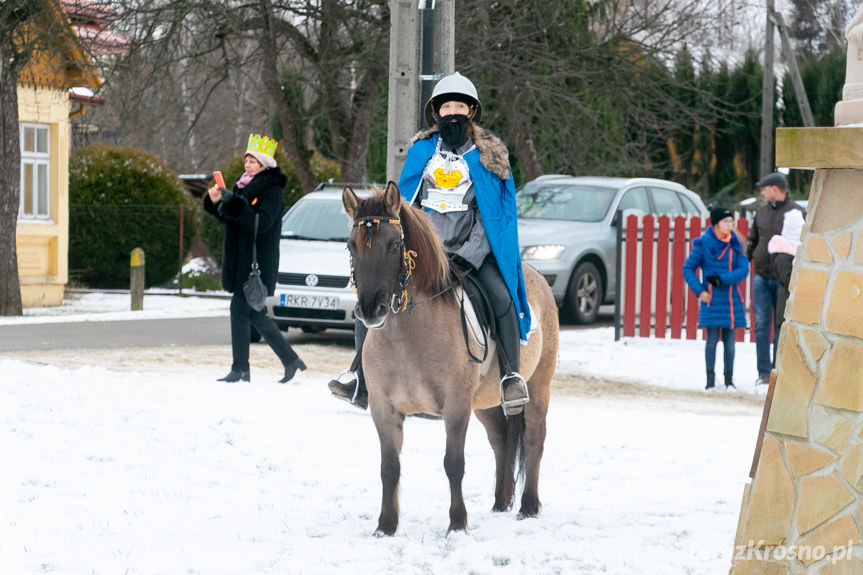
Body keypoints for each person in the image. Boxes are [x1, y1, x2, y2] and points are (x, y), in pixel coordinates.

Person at [329, 72, 532, 415]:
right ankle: (358, 376)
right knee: (373, 296)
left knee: (501, 296)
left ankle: (510, 376)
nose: (453, 112)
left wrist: (468, 256)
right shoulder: (422, 152)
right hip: (424, 255)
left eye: (460, 106)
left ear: (471, 112)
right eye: (446, 106)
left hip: (472, 255)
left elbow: (494, 218)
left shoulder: (489, 158)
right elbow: (406, 208)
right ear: (436, 113)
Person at [203, 134, 306, 383]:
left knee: (240, 310)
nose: (247, 165)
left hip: (256, 264)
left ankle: (240, 369)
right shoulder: (242, 187)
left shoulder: (272, 191)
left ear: (263, 165)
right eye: (246, 160)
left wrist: (236, 204)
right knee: (255, 314)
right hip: (240, 261)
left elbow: (262, 223)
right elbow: (231, 219)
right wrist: (216, 202)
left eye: (252, 161)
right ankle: (291, 361)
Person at [746, 172, 805, 386]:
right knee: (761, 325)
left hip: (783, 278)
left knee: (781, 325)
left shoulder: (797, 213)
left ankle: (776, 370)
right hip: (761, 274)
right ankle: (762, 372)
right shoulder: (761, 213)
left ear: (774, 189)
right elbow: (753, 238)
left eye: (764, 188)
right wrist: (749, 256)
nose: (761, 193)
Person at [683, 206, 749, 390]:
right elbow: (688, 268)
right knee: (711, 341)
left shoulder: (737, 245)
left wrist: (722, 279)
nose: (730, 225)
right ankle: (710, 380)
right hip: (711, 299)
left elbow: (743, 270)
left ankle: (729, 380)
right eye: (726, 222)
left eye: (731, 222)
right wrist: (700, 291)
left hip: (731, 300)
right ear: (716, 224)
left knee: (730, 343)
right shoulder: (704, 245)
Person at [767, 209, 805, 335]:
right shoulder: (784, 255)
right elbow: (789, 280)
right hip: (786, 309)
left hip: (793, 308)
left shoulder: (794, 251)